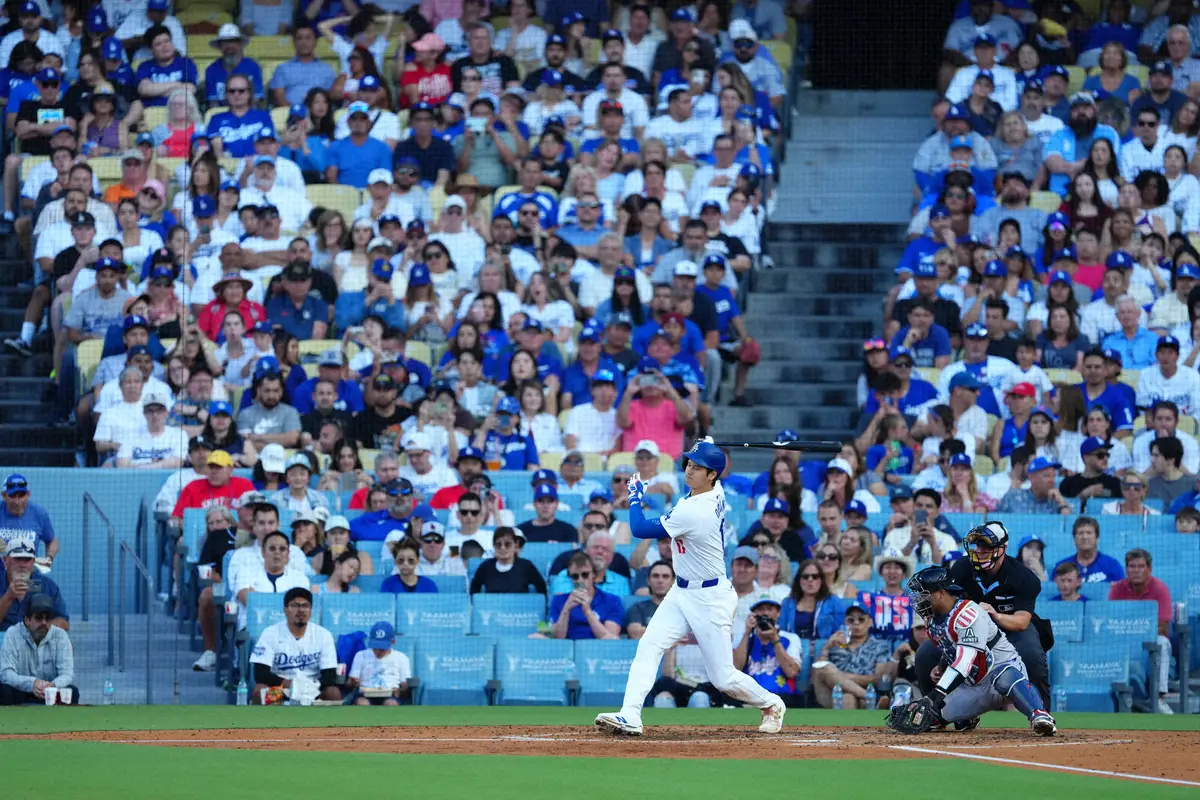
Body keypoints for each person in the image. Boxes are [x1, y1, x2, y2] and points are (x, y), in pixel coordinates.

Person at [595, 439, 787, 736]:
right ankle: (630, 714)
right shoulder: (712, 490)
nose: (689, 471)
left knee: (723, 678)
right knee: (649, 645)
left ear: (713, 474)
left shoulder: (697, 510)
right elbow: (704, 464)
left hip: (710, 598)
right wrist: (705, 444)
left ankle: (772, 703)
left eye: (698, 468)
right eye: (689, 464)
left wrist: (635, 497)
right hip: (681, 591)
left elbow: (640, 529)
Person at [891, 566, 1056, 736]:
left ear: (940, 593)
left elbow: (964, 662)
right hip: (973, 684)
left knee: (1005, 677)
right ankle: (967, 718)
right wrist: (941, 667)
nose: (919, 600)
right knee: (929, 718)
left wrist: (935, 694)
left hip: (1000, 670)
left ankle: (1039, 714)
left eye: (924, 594)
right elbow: (950, 647)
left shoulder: (968, 614)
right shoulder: (932, 620)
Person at [916, 521, 1050, 708]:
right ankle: (930, 710)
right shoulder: (962, 568)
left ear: (1002, 548)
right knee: (925, 654)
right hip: (967, 628)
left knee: (1032, 655)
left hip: (1010, 627)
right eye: (978, 545)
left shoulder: (1024, 577)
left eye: (986, 546)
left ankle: (1042, 712)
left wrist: (995, 615)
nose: (979, 550)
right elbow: (947, 602)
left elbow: (1022, 621)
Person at [1108, 548, 1175, 714]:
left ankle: (1158, 697)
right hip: (1122, 642)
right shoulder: (1117, 589)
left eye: (1140, 566)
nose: (1136, 570)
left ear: (1149, 569)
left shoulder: (1160, 589)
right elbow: (1109, 622)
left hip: (1148, 643)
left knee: (1162, 642)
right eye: (1132, 566)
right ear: (1126, 569)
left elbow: (1163, 627)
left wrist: (1133, 631)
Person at [249, 587, 341, 704]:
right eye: (295, 605)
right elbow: (260, 674)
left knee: (333, 693)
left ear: (311, 610)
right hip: (282, 689)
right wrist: (290, 684)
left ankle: (329, 723)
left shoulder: (323, 635)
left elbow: (330, 675)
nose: (301, 610)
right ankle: (265, 722)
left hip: (313, 690)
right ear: (285, 610)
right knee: (260, 691)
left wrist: (310, 687)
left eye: (305, 606)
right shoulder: (270, 633)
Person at [810, 603, 893, 709]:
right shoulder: (834, 644)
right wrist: (826, 647)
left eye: (861, 619)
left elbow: (877, 680)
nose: (856, 623)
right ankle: (872, 698)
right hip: (831, 695)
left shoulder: (881, 646)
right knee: (822, 668)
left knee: (848, 697)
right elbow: (816, 675)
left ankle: (866, 697)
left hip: (862, 700)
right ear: (845, 622)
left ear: (870, 622)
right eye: (851, 620)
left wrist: (837, 676)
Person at [0, 594, 76, 706]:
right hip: (21, 691)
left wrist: (52, 685)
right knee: (4, 690)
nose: (44, 623)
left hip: (50, 692)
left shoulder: (60, 636)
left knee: (72, 692)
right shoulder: (12, 634)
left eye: (48, 619)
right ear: (27, 620)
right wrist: (32, 683)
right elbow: (6, 674)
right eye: (39, 618)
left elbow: (67, 674)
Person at [733, 594, 803, 708]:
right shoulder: (743, 638)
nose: (765, 613)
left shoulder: (790, 638)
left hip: (781, 697)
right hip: (747, 699)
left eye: (769, 609)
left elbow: (792, 672)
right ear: (754, 614)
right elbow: (735, 670)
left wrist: (774, 638)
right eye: (760, 609)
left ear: (778, 613)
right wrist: (747, 632)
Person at [550, 550, 624, 641]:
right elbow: (558, 637)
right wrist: (566, 609)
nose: (580, 580)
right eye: (575, 576)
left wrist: (587, 611)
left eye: (585, 575)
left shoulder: (612, 601)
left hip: (598, 650)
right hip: (567, 649)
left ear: (593, 574)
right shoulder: (559, 600)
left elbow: (609, 638)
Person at [346, 621, 411, 707]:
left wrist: (400, 690)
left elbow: (405, 684)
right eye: (375, 648)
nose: (377, 652)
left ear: (393, 642)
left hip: (390, 695)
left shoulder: (401, 658)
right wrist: (353, 682)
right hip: (365, 694)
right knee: (362, 703)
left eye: (382, 649)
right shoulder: (361, 655)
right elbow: (349, 683)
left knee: (391, 704)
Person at [468, 526, 546, 594]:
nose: (503, 548)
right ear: (494, 547)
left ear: (515, 546)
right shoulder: (485, 567)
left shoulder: (526, 566)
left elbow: (541, 587)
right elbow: (474, 588)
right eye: (498, 545)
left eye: (507, 544)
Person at [0, 474, 56, 562]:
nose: (17, 501)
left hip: (28, 572)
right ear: (4, 496)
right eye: (12, 496)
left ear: (28, 494)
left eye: (21, 495)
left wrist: (49, 558)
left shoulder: (39, 513)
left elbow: (52, 541)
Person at [1053, 515, 1125, 584]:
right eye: (1080, 533)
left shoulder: (1112, 565)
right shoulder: (1062, 566)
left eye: (1089, 533)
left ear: (1097, 538)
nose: (1084, 537)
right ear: (1074, 539)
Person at [1059, 437, 1123, 512]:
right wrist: (1084, 495)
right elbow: (1063, 513)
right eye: (1100, 455)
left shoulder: (1115, 483)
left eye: (1107, 455)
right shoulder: (1068, 483)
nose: (1105, 459)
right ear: (1086, 458)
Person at [624, 560, 674, 638]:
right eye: (655, 576)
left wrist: (648, 631)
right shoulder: (638, 608)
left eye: (665, 576)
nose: (660, 580)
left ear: (672, 582)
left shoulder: (683, 609)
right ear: (648, 581)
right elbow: (636, 634)